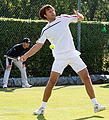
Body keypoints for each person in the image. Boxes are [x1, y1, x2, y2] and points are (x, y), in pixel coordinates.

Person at [20, 5, 105, 114]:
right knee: (51, 82)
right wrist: (26, 56)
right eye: (49, 12)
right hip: (60, 58)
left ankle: (96, 105)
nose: (53, 12)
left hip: (73, 55)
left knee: (86, 77)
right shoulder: (45, 30)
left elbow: (80, 18)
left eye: (53, 10)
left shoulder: (63, 18)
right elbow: (38, 45)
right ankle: (41, 108)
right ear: (45, 15)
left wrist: (80, 16)